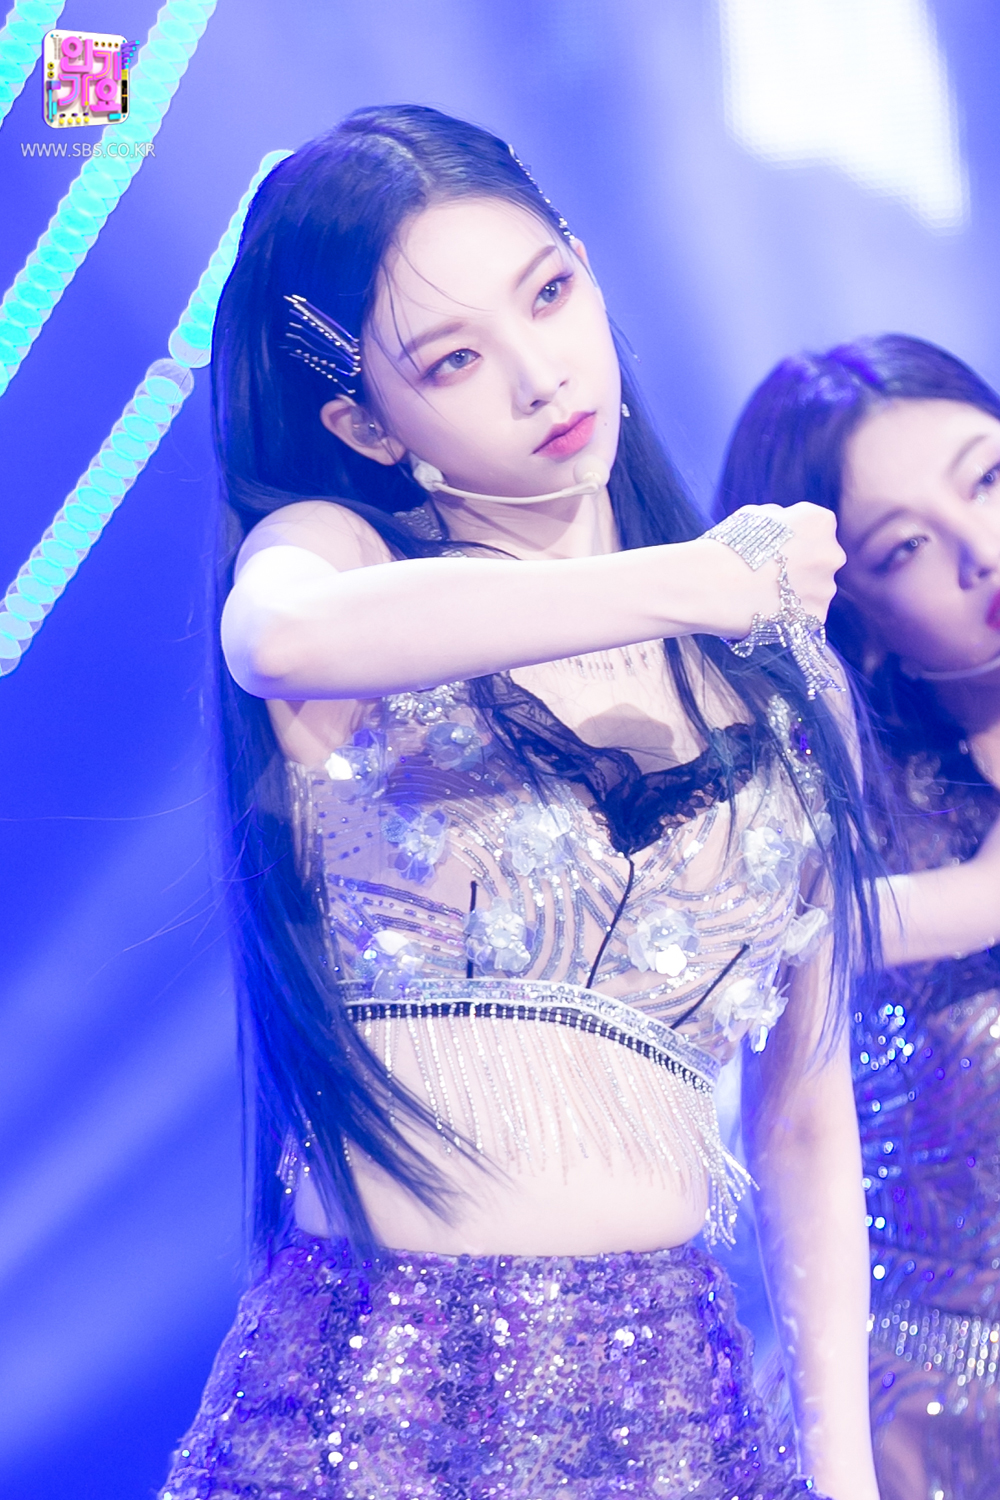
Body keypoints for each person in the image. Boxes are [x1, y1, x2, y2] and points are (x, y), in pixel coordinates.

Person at [159, 106, 882, 1500]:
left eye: (547, 294)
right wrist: (694, 581)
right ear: (365, 423)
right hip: (378, 1401)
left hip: (673, 1407)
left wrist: (843, 1472)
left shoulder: (788, 691)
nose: (539, 374)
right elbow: (281, 638)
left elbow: (803, 1115)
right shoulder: (341, 561)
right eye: (452, 359)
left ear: (587, 268)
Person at [716, 332, 1000, 1500]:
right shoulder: (836, 835)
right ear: (863, 622)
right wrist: (969, 901)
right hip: (933, 1435)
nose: (983, 552)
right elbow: (745, 942)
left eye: (989, 477)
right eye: (905, 548)